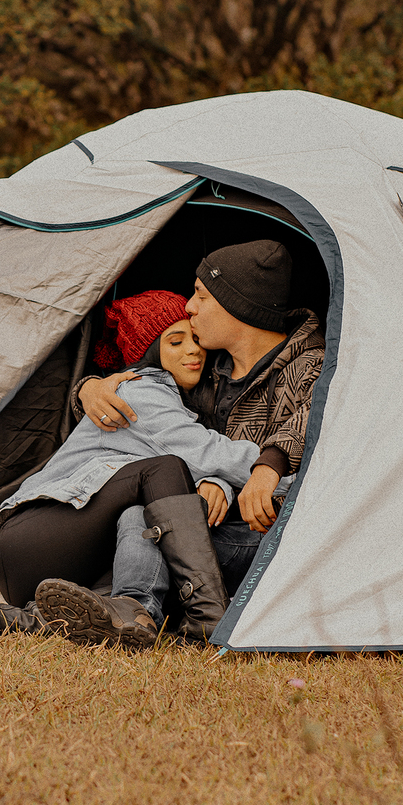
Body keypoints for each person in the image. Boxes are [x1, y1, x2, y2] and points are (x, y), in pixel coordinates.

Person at [0, 290, 262, 650]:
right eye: (175, 342)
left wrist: (216, 483)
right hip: (27, 540)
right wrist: (290, 474)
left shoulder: (180, 400)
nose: (193, 350)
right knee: (163, 470)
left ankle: (124, 613)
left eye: (195, 339)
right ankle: (208, 616)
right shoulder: (138, 394)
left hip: (65, 558)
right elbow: (208, 454)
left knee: (141, 516)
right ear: (150, 352)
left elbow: (191, 474)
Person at [76, 239, 325, 618]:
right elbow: (155, 408)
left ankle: (129, 609)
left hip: (275, 537)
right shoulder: (206, 368)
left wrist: (269, 464)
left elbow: (313, 419)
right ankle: (130, 610)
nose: (189, 307)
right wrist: (89, 388)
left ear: (237, 305)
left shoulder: (313, 365)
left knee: (145, 527)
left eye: (201, 296)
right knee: (144, 518)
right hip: (206, 524)